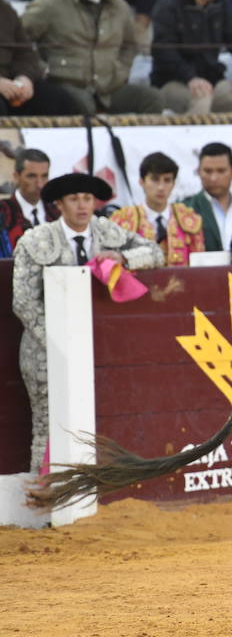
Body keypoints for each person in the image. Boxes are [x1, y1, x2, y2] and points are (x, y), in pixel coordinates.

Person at [12, 172, 163, 472]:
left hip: (98, 348)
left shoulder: (107, 232)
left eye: (87, 199)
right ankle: (42, 496)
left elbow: (156, 253)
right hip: (44, 350)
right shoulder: (37, 240)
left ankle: (87, 493)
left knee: (96, 420)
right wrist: (59, 344)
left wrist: (124, 259)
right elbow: (24, 303)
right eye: (74, 199)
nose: (82, 206)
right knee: (47, 424)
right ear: (59, 205)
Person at [22, 0, 165, 115]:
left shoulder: (120, 7)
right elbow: (21, 40)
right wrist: (43, 69)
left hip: (108, 89)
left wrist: (119, 71)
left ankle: (137, 142)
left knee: (152, 98)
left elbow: (129, 45)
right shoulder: (49, 2)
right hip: (65, 85)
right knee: (83, 104)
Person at [110, 152, 205, 266]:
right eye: (155, 179)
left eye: (167, 180)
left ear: (173, 184)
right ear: (142, 181)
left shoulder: (189, 219)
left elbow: (198, 266)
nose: (161, 187)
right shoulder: (122, 221)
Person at [0, 0, 82, 117]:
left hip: (10, 84)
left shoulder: (5, 10)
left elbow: (25, 53)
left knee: (58, 99)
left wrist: (24, 78)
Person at [181, 141, 232, 252]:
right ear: (199, 172)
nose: (214, 178)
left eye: (221, 171)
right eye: (208, 171)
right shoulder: (185, 210)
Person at [1, 149, 58, 251]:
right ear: (16, 176)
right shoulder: (3, 212)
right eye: (32, 176)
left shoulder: (57, 212)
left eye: (44, 176)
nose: (40, 184)